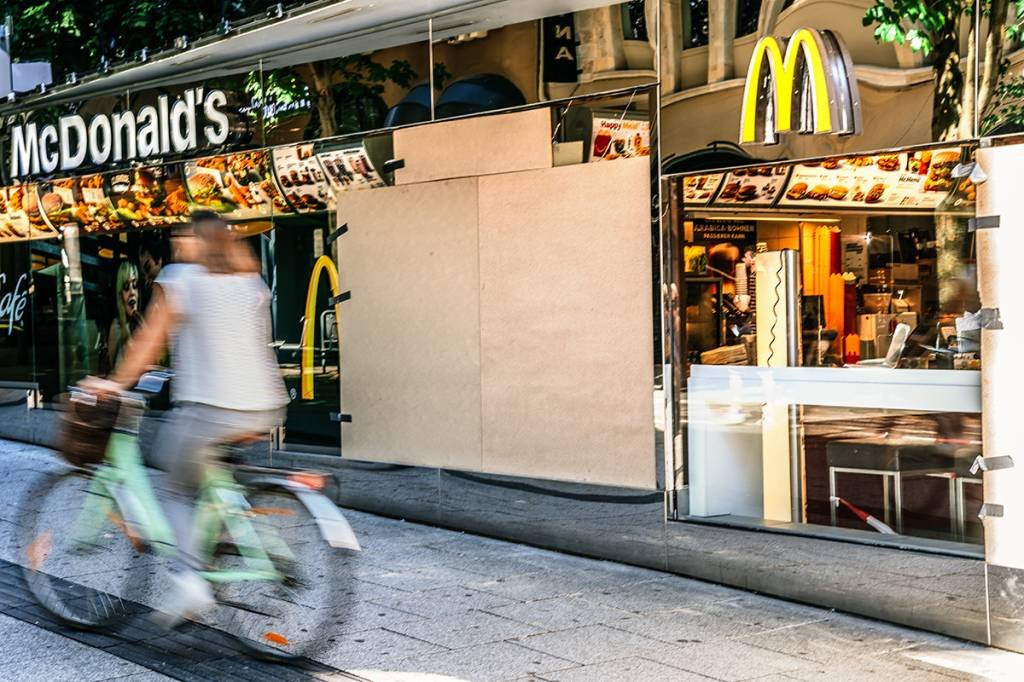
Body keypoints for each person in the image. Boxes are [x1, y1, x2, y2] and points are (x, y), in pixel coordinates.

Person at [84, 211, 289, 627]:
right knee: (208, 476)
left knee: (175, 484)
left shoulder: (183, 279)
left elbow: (148, 343)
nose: (177, 243)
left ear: (198, 241)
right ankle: (222, 533)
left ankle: (190, 579)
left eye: (183, 236)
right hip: (265, 405)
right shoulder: (253, 282)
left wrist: (115, 383)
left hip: (211, 409)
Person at [106, 261, 142, 370]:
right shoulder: (116, 327)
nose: (132, 292)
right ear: (120, 295)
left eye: (135, 285)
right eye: (126, 287)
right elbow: (113, 369)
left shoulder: (140, 324)